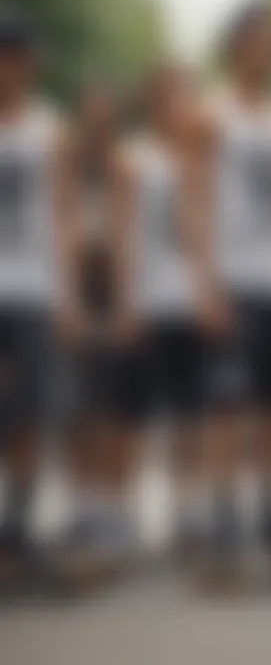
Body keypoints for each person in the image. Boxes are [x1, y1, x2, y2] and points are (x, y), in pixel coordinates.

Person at [194, 0, 271, 585]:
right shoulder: (210, 114)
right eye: (264, 36)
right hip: (234, 281)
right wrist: (207, 282)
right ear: (238, 43)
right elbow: (194, 202)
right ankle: (224, 517)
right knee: (227, 405)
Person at [108, 63, 208, 574]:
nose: (183, 106)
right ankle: (123, 518)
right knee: (134, 417)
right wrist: (126, 302)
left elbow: (209, 237)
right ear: (156, 101)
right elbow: (125, 234)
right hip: (148, 301)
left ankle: (185, 514)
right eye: (173, 96)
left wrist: (212, 295)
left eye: (189, 95)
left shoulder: (203, 160)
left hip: (191, 303)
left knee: (190, 418)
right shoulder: (133, 158)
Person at [0, 9, 81, 588]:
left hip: (30, 287)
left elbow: (63, 213)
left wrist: (68, 294)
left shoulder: (48, 128)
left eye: (28, 61)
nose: (23, 69)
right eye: (15, 58)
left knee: (30, 413)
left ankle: (18, 527)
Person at [53, 78, 124, 586]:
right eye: (90, 118)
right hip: (68, 291)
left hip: (114, 291)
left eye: (106, 118)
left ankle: (110, 509)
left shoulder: (127, 169)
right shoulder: (63, 169)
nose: (97, 126)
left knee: (111, 407)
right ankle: (82, 505)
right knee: (75, 406)